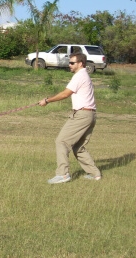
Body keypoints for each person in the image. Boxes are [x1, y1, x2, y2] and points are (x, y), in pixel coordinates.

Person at [38, 52, 101, 184]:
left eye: (72, 63)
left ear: (80, 64)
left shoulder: (79, 75)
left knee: (61, 141)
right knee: (78, 146)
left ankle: (63, 174)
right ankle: (94, 174)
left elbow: (66, 94)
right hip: (90, 114)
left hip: (82, 115)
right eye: (69, 63)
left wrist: (47, 100)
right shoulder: (84, 75)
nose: (69, 65)